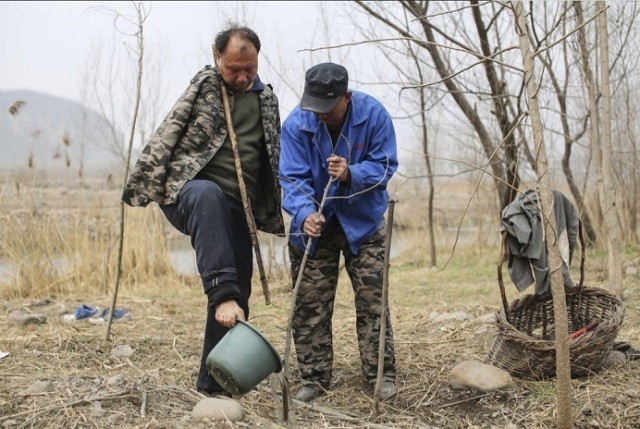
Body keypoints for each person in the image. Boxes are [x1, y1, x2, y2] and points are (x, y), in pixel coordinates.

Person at [121, 23, 284, 397]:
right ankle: (222, 292)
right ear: (217, 59)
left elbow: (274, 157)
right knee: (209, 195)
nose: (241, 77)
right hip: (190, 194)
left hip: (237, 206)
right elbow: (170, 129)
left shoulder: (267, 101)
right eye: (233, 69)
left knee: (239, 291)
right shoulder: (207, 86)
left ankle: (215, 383)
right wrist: (146, 181)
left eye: (250, 69)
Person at [278, 62, 399, 402]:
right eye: (314, 107)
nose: (320, 115)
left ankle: (380, 374)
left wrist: (351, 174)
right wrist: (304, 215)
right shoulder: (296, 125)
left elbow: (386, 165)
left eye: (327, 109)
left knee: (373, 300)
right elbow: (291, 178)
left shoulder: (375, 115)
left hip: (363, 223)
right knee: (309, 303)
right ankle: (314, 379)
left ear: (346, 96)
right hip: (314, 229)